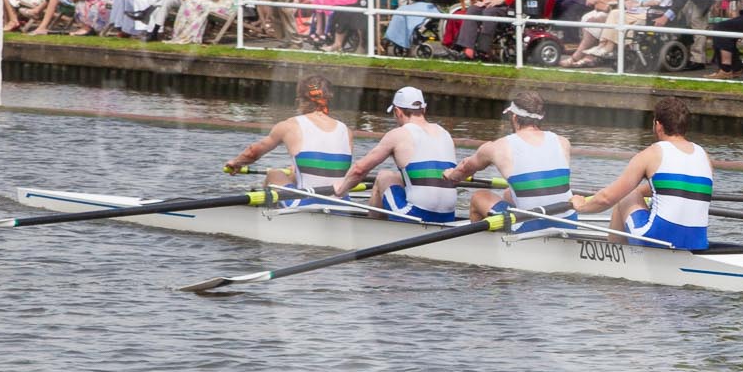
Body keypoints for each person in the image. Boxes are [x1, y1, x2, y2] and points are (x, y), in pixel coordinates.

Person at [570, 96, 713, 251]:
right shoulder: (703, 155)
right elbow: (678, 186)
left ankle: (613, 258)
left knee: (625, 195)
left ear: (658, 126)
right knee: (635, 193)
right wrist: (641, 191)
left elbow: (606, 198)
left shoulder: (651, 154)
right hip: (698, 242)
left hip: (657, 240)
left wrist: (581, 206)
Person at [446, 92, 576, 232]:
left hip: (531, 226)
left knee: (479, 197)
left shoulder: (497, 147)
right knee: (509, 193)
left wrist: (450, 175)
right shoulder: (563, 142)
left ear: (514, 117)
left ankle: (482, 248)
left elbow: (465, 169)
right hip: (569, 223)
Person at [335, 86, 462, 223]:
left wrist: (340, 190)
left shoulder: (399, 134)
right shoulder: (445, 134)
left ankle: (372, 229)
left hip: (415, 214)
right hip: (448, 216)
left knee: (385, 176)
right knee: (401, 178)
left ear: (397, 111)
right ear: (424, 109)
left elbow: (359, 169)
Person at [223, 74, 354, 201]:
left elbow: (252, 152)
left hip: (308, 203)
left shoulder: (289, 126)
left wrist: (236, 162)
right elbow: (336, 171)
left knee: (275, 174)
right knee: (294, 175)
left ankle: (267, 216)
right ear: (328, 99)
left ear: (299, 100)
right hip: (343, 203)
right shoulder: (346, 130)